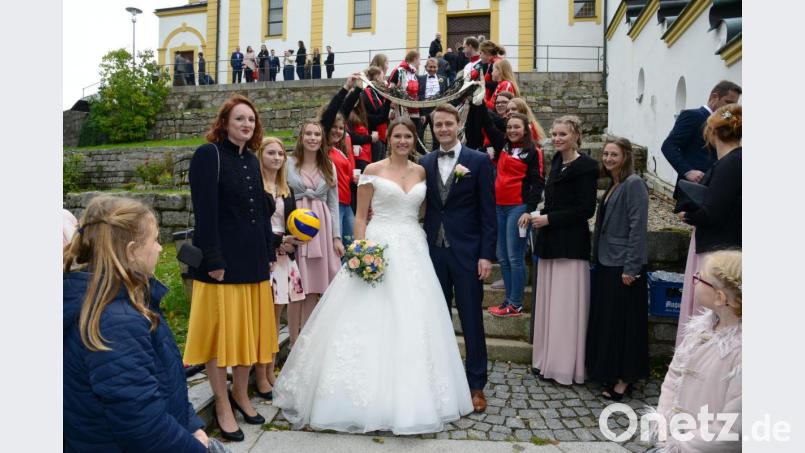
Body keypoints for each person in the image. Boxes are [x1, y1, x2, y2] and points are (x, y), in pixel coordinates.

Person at [273, 117, 474, 433]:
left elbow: (423, 211)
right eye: (398, 136)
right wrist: (362, 250)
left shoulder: (422, 170)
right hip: (378, 245)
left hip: (414, 248)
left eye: (408, 136)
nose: (403, 141)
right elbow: (360, 217)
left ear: (414, 140)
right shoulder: (371, 171)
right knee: (366, 315)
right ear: (389, 138)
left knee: (416, 317)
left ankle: (418, 394)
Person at [64, 195, 208, 452]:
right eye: (155, 240)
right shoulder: (115, 321)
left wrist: (191, 423)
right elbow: (142, 424)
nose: (160, 248)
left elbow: (163, 377)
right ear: (131, 251)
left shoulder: (123, 301)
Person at [183, 95, 279, 442]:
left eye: (251, 120)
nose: (246, 125)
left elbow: (260, 216)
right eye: (240, 119)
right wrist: (214, 260)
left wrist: (269, 250)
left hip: (253, 261)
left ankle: (241, 394)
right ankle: (222, 404)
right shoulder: (208, 155)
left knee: (249, 337)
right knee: (220, 338)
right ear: (224, 122)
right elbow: (204, 212)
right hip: (222, 265)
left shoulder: (252, 160)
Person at [420, 104, 496, 413]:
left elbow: (488, 214)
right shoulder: (424, 162)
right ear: (433, 128)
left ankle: (476, 385)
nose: (443, 129)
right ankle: (439, 380)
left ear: (458, 124)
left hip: (467, 254)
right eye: (438, 125)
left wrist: (486, 256)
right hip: (433, 253)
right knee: (436, 319)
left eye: (448, 124)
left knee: (471, 320)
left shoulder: (477, 162)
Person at [649, 250, 742, 452]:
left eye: (699, 278)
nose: (694, 281)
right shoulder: (699, 330)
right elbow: (674, 376)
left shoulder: (741, 355)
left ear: (720, 297)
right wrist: (664, 426)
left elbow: (733, 428)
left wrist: (682, 446)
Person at [530, 115, 598, 386]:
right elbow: (554, 202)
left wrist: (549, 219)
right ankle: (547, 359)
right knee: (550, 306)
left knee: (565, 308)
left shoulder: (588, 166)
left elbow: (585, 209)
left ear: (576, 136)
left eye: (563, 134)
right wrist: (537, 213)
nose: (557, 138)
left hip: (570, 245)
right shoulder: (556, 162)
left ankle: (564, 365)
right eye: (555, 134)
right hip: (549, 243)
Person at [586, 136, 649, 400]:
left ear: (625, 157)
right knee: (610, 323)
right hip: (606, 261)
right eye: (606, 154)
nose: (609, 159)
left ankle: (625, 379)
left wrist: (631, 268)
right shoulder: (614, 184)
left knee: (625, 326)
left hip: (623, 265)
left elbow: (638, 229)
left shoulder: (634, 184)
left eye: (614, 155)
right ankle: (609, 371)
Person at [675, 103, 742, 345]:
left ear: (711, 133)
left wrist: (688, 214)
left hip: (718, 249)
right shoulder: (731, 161)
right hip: (719, 244)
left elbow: (713, 212)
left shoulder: (731, 163)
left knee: (707, 308)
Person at [470, 109, 545, 318]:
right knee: (502, 256)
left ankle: (516, 303)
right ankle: (509, 301)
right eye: (510, 127)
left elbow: (538, 182)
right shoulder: (502, 144)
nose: (512, 130)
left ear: (526, 129)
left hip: (518, 208)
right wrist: (478, 98)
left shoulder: (533, 151)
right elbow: (486, 120)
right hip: (498, 207)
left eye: (517, 127)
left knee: (514, 256)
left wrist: (530, 210)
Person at [255, 137, 306, 400]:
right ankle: (261, 372)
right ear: (261, 154)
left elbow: (293, 222)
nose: (276, 158)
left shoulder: (287, 189)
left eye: (280, 154)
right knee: (264, 317)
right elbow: (255, 224)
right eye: (271, 153)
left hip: (285, 256)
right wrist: (277, 242)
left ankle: (271, 369)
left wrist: (293, 242)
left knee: (276, 317)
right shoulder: (255, 186)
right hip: (264, 254)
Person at [286, 120, 344, 331]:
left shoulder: (329, 166)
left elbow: (334, 204)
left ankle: (308, 339)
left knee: (313, 287)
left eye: (317, 134)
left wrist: (336, 237)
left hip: (321, 228)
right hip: (296, 227)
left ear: (322, 139)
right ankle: (293, 341)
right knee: (296, 286)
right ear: (301, 137)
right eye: (308, 134)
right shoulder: (288, 164)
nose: (312, 138)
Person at [661, 80, 741, 198]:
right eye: (728, 102)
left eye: (733, 105)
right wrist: (688, 171)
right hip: (694, 188)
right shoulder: (692, 116)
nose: (730, 109)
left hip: (717, 187)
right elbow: (668, 146)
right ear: (715, 97)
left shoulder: (728, 122)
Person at [417, 57, 448, 152]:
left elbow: (445, 95)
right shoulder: (420, 78)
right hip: (424, 108)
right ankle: (421, 154)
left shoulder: (443, 79)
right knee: (420, 132)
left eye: (434, 67)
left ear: (438, 68)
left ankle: (436, 152)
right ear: (426, 67)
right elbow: (418, 95)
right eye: (430, 67)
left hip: (437, 109)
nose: (432, 69)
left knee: (437, 132)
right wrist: (421, 112)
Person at [479, 40, 506, 108]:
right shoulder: (490, 63)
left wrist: (481, 83)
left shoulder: (496, 64)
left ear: (487, 53)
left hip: (497, 104)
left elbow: (499, 84)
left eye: (481, 53)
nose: (480, 56)